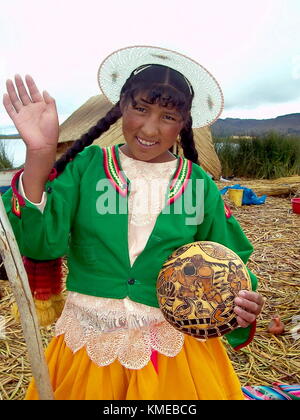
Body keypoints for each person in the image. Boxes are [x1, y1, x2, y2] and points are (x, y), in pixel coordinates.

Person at [2, 46, 264, 400]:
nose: (150, 128)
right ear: (121, 106)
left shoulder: (198, 184)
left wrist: (243, 301)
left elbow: (232, 261)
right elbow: (38, 242)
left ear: (184, 123)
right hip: (90, 344)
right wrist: (39, 154)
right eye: (140, 109)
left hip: (173, 351)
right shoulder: (86, 167)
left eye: (168, 117)